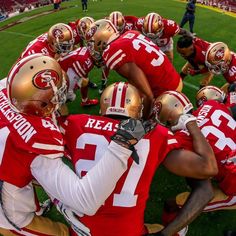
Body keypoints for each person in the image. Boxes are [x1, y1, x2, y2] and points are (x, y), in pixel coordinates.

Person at [0, 54, 149, 235]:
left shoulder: (9, 87)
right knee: (56, 231)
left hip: (7, 159)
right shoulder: (37, 142)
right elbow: (86, 202)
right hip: (7, 208)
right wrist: (121, 144)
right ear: (43, 102)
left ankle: (39, 205)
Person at [62, 81, 217, 236]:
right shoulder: (156, 134)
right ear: (138, 109)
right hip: (128, 232)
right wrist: (190, 123)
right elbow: (208, 168)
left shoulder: (75, 123)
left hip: (81, 229)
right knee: (167, 230)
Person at [154, 89, 235, 231]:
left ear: (169, 119)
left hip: (233, 184)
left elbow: (205, 192)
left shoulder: (181, 140)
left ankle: (176, 232)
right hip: (230, 163)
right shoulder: (211, 105)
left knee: (173, 205)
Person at [85, 19, 183, 118]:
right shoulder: (130, 33)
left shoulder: (112, 51)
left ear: (101, 39)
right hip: (173, 78)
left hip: (166, 92)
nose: (91, 49)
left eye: (91, 44)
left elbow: (147, 95)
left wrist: (144, 120)